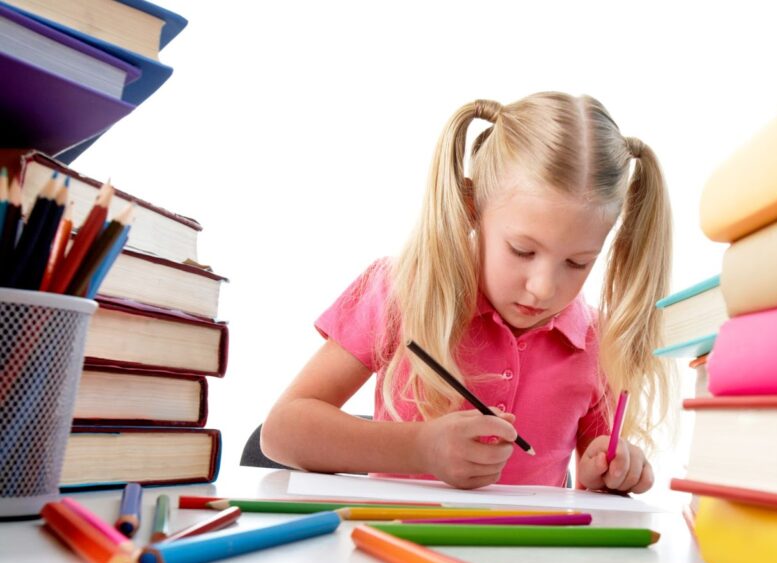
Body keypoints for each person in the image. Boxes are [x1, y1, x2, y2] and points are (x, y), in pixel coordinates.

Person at [261, 92, 673, 492]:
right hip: (394, 549)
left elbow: (593, 475)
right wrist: (420, 448)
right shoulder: (403, 289)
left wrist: (611, 470)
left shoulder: (597, 343)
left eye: (577, 263)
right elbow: (281, 432)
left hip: (531, 561)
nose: (544, 288)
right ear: (473, 207)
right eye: (522, 250)